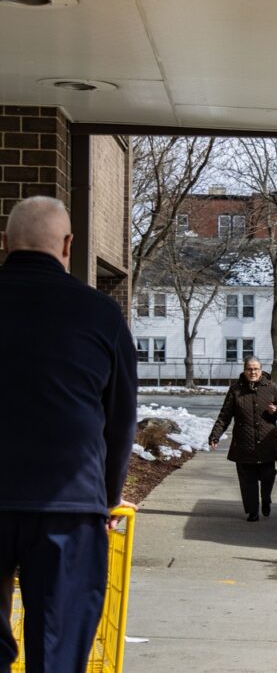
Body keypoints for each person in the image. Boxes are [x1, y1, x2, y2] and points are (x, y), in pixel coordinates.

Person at [0, 196, 138, 672]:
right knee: (57, 651)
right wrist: (107, 496)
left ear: (5, 243)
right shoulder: (100, 314)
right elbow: (120, 419)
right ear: (68, 244)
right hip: (69, 505)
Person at [208, 357, 277, 521]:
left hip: (267, 443)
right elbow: (225, 416)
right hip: (244, 444)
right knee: (247, 481)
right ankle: (253, 511)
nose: (253, 372)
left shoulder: (271, 387)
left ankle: (266, 499)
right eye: (249, 369)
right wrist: (215, 435)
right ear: (244, 370)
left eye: (256, 369)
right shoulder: (235, 390)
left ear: (261, 370)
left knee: (268, 476)